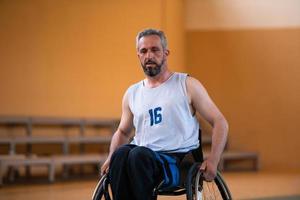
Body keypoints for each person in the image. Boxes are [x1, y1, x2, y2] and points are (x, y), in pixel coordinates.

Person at [100, 28, 228, 200]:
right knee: (121, 154)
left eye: (155, 50)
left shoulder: (187, 85)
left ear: (166, 53)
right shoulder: (132, 93)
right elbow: (123, 132)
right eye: (144, 51)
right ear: (138, 55)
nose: (149, 55)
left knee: (138, 155)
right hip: (142, 159)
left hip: (178, 161)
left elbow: (220, 121)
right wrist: (111, 159)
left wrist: (213, 160)